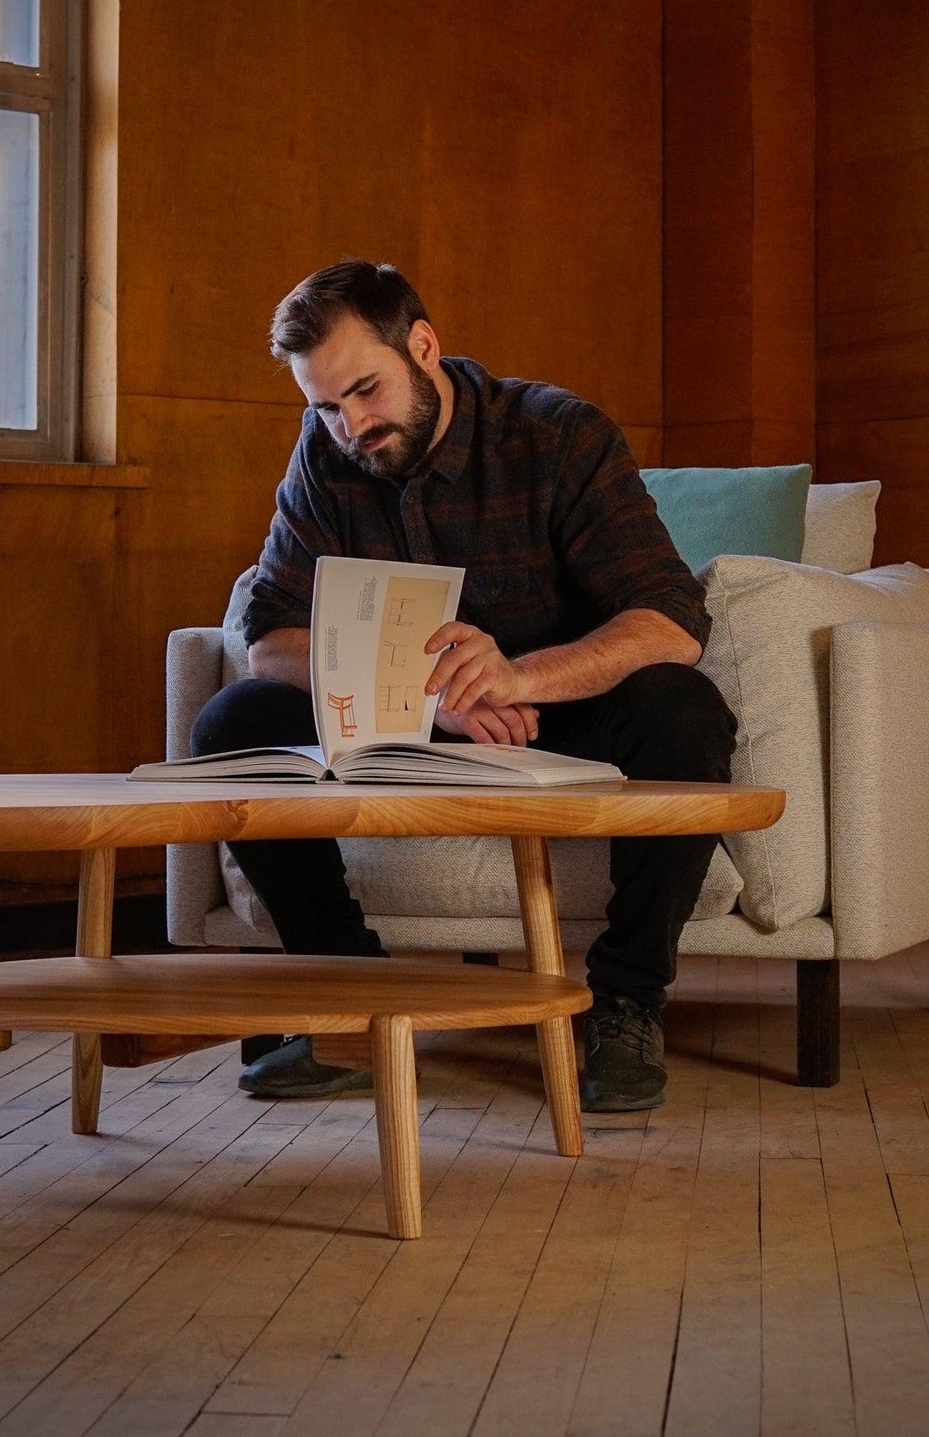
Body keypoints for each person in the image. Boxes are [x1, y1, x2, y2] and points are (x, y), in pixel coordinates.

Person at [191, 259, 737, 1110]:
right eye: (327, 406)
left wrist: (518, 675)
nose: (351, 425)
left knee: (685, 711)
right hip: (419, 714)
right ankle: (351, 994)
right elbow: (268, 640)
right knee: (233, 719)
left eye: (366, 391)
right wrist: (426, 687)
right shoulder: (326, 452)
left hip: (562, 708)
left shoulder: (557, 433)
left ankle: (626, 998)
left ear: (424, 345)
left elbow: (671, 619)